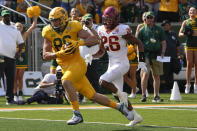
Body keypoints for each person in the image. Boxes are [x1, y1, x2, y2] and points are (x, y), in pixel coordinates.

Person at [42, 7, 140, 126]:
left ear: (63, 19)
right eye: (52, 20)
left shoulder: (73, 26)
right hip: (65, 67)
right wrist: (59, 53)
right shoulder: (47, 31)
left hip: (77, 64)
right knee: (93, 96)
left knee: (65, 81)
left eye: (57, 20)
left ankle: (76, 114)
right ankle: (119, 107)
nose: (54, 23)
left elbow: (94, 39)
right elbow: (45, 55)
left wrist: (77, 43)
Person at [93, 6, 146, 126]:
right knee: (117, 95)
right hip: (112, 64)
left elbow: (138, 43)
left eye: (110, 19)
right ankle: (136, 116)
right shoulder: (101, 29)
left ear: (116, 19)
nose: (107, 22)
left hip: (122, 63)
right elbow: (102, 51)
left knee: (103, 81)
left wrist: (141, 60)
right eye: (105, 19)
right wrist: (92, 56)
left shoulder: (122, 29)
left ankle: (122, 95)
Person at [137, 11, 166, 102]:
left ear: (153, 18)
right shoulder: (142, 30)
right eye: (148, 18)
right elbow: (138, 44)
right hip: (146, 54)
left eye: (151, 17)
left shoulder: (159, 29)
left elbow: (163, 42)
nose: (149, 19)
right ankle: (143, 95)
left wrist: (163, 52)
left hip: (157, 54)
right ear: (145, 19)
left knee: (156, 76)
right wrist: (139, 57)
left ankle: (156, 96)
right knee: (145, 75)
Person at [0, 9, 24, 105]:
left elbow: (21, 42)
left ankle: (10, 99)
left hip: (12, 57)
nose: (7, 17)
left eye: (8, 16)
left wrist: (19, 51)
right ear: (1, 17)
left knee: (11, 79)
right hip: (0, 56)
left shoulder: (14, 28)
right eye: (5, 16)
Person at [13, 17, 38, 102]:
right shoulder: (11, 35)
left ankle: (20, 94)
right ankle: (14, 94)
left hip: (23, 58)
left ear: (22, 28)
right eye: (16, 26)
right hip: (14, 57)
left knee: (20, 77)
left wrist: (35, 16)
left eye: (19, 26)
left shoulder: (24, 35)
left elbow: (33, 26)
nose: (18, 28)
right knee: (14, 77)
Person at [79, 13, 100, 103]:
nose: (87, 22)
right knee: (81, 77)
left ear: (92, 20)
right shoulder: (81, 28)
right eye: (85, 20)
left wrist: (90, 28)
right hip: (83, 57)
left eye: (89, 20)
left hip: (93, 57)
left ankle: (96, 98)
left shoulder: (97, 27)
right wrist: (81, 25)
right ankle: (81, 97)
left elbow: (98, 39)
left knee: (94, 78)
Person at [179, 7, 197, 94]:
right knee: (189, 64)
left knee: (196, 64)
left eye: (193, 11)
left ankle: (196, 85)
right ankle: (188, 84)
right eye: (190, 11)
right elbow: (180, 33)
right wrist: (186, 33)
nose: (192, 12)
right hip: (189, 45)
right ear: (188, 12)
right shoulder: (185, 22)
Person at [161, 20, 182, 92]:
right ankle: (164, 88)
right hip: (164, 57)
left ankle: (170, 87)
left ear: (170, 26)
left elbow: (177, 45)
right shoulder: (161, 34)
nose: (165, 26)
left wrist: (179, 54)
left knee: (172, 72)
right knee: (164, 73)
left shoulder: (174, 34)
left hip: (173, 56)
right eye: (164, 25)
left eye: (166, 25)